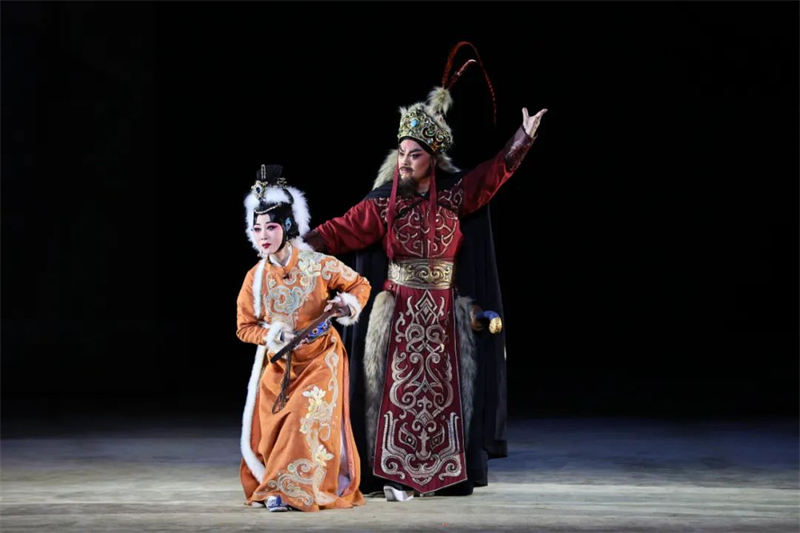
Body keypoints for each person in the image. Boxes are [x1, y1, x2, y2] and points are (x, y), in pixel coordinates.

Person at [302, 42, 547, 500]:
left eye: (414, 154)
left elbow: (492, 175)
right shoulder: (385, 204)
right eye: (402, 152)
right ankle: (394, 473)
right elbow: (340, 230)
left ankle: (445, 474)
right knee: (395, 392)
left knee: (444, 394)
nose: (405, 160)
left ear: (432, 157)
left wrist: (523, 138)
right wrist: (297, 247)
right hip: (398, 313)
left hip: (443, 316)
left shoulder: (455, 196)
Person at [236, 164, 371, 512]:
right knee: (274, 426)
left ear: (288, 226)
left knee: (301, 417)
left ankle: (294, 490)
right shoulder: (255, 277)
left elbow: (360, 284)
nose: (264, 235)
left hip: (321, 357)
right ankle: (276, 486)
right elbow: (244, 327)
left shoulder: (318, 264)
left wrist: (347, 304)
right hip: (280, 364)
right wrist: (271, 334)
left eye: (271, 227)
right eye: (257, 228)